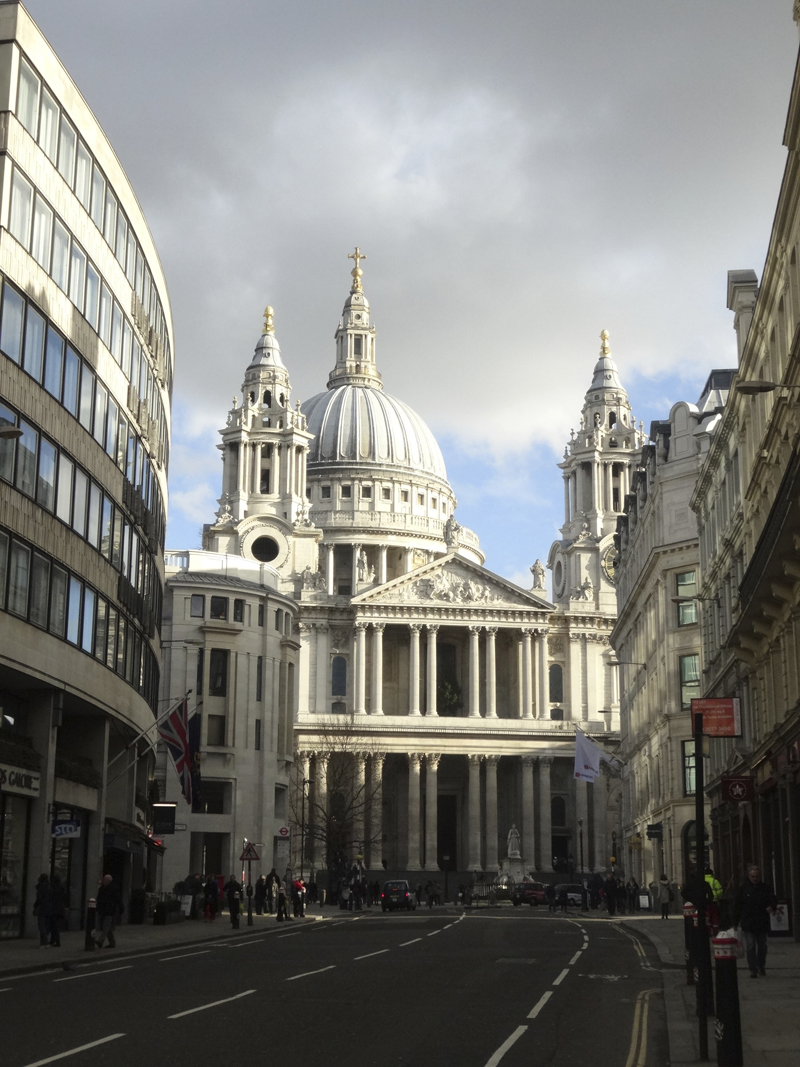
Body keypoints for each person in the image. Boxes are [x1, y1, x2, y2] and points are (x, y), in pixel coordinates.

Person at [734, 865, 777, 978]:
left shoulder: (765, 888)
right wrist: (734, 922)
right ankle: (753, 969)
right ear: (749, 876)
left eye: (757, 876)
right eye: (753, 876)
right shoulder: (744, 888)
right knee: (751, 945)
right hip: (748, 922)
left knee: (762, 946)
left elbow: (773, 899)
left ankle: (761, 965)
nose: (755, 878)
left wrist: (772, 906)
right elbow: (737, 905)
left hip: (762, 921)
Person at [94, 874, 122, 949]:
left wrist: (120, 909)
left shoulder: (114, 889)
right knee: (108, 928)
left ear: (109, 881)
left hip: (110, 911)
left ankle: (100, 941)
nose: (103, 881)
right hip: (103, 910)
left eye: (105, 880)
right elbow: (99, 899)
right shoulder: (101, 889)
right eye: (103, 880)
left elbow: (118, 899)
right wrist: (97, 908)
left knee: (105, 927)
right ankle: (112, 943)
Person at [33, 874, 52, 948]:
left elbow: (39, 899)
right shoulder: (49, 887)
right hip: (48, 908)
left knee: (41, 926)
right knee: (44, 925)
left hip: (42, 908)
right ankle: (43, 943)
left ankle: (45, 942)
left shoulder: (41, 888)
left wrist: (35, 905)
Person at [49, 874, 68, 947]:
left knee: (54, 926)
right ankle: (53, 940)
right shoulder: (61, 888)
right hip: (60, 909)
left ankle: (57, 941)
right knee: (55, 925)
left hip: (54, 908)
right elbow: (64, 897)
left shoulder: (52, 888)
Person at [704, 867, 723, 932]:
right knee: (715, 916)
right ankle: (715, 930)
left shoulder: (702, 880)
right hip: (714, 901)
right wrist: (718, 897)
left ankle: (708, 930)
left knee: (707, 916)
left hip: (705, 902)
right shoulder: (715, 881)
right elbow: (720, 891)